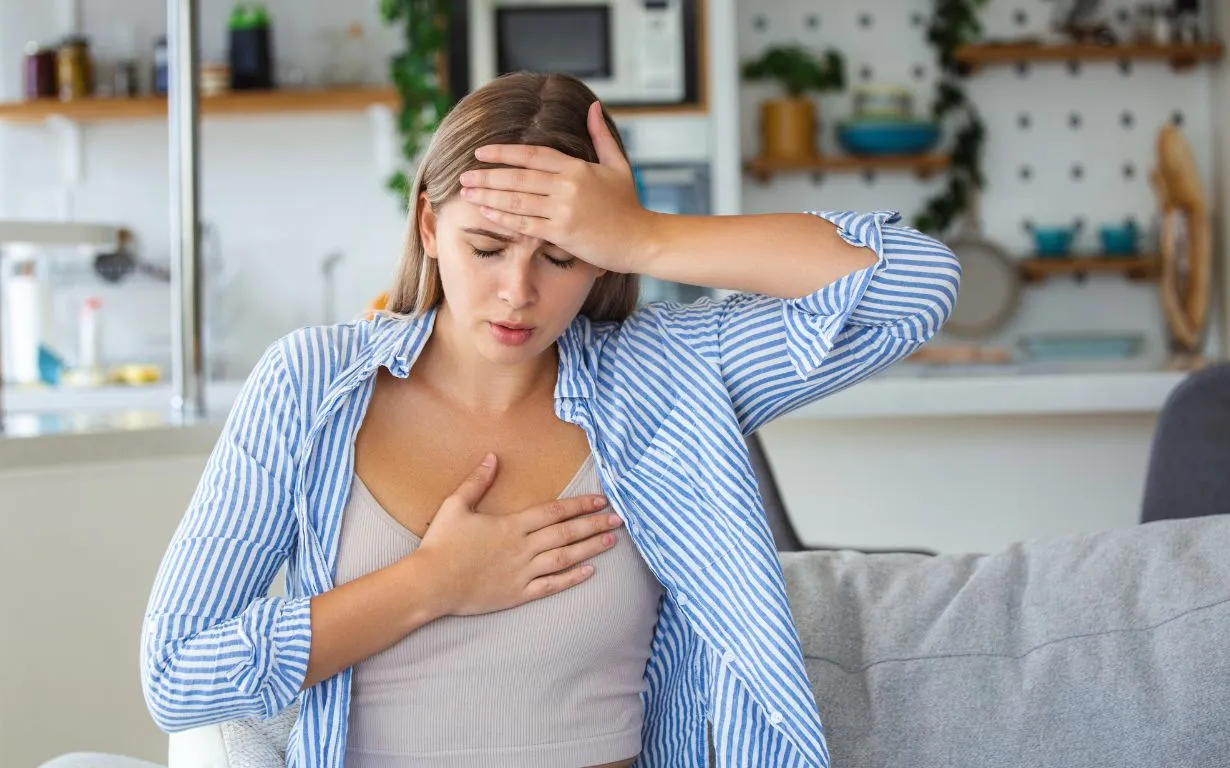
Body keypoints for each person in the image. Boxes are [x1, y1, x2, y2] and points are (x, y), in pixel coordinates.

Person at [140, 72, 961, 768]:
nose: (518, 293)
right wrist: (434, 583)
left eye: (561, 256)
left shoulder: (662, 375)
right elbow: (177, 676)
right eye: (487, 247)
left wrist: (644, 235)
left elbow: (914, 288)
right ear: (430, 225)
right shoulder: (311, 384)